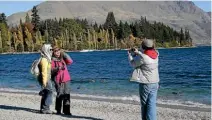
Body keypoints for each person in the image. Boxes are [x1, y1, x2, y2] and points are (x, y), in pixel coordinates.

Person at [128, 39, 160, 120]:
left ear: (143, 47)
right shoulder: (156, 54)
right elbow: (146, 54)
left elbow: (133, 64)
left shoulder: (143, 57)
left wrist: (129, 55)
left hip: (146, 83)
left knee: (144, 105)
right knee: (152, 104)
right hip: (155, 82)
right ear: (152, 46)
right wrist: (138, 52)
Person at [51, 46, 73, 115]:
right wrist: (58, 68)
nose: (57, 52)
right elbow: (51, 70)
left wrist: (64, 53)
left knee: (67, 94)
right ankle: (58, 110)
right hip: (58, 79)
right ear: (53, 52)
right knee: (59, 94)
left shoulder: (63, 58)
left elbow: (70, 61)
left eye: (58, 51)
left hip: (66, 79)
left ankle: (67, 111)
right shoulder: (52, 60)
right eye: (55, 51)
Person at [38, 44, 54, 114]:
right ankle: (46, 108)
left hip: (46, 78)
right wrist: (44, 83)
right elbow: (44, 72)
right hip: (46, 79)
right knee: (50, 92)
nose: (52, 51)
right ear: (46, 50)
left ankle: (43, 108)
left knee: (45, 93)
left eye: (52, 49)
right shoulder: (44, 59)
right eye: (50, 49)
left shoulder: (46, 58)